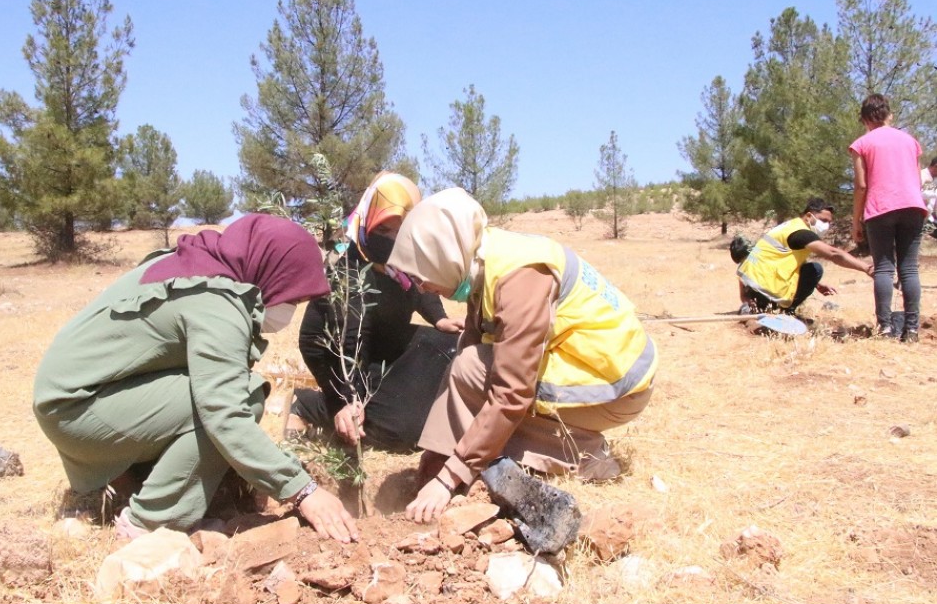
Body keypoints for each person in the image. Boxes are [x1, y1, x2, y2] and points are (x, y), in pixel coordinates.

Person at [33, 214, 359, 543]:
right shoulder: (218, 302)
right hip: (78, 410)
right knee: (243, 396)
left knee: (220, 388)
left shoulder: (196, 264)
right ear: (272, 272)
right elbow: (225, 413)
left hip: (69, 399)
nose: (291, 309)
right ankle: (150, 524)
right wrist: (303, 491)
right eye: (293, 297)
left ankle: (134, 483)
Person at [387, 188, 658, 524]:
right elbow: (468, 358)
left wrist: (448, 477)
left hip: (617, 387)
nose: (421, 287)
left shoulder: (519, 277)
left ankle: (581, 453)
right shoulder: (484, 262)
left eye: (420, 273)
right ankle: (470, 466)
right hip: (593, 374)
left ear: (442, 252)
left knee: (478, 371)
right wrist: (436, 461)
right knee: (468, 364)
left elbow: (512, 393)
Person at [287, 172, 463, 450]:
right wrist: (350, 398)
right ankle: (313, 406)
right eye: (383, 231)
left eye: (401, 230)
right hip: (337, 353)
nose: (392, 239)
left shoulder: (405, 258)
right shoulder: (350, 273)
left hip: (385, 340)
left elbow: (419, 288)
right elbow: (352, 339)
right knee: (405, 432)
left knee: (454, 347)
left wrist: (440, 319)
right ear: (366, 222)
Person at [849, 93, 927, 342]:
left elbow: (861, 185)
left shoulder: (862, 144)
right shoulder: (910, 141)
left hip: (881, 208)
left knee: (884, 268)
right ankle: (912, 329)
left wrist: (856, 220)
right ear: (889, 115)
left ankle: (885, 328)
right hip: (913, 206)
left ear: (864, 120)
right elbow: (916, 179)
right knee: (909, 268)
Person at [737, 198, 874, 317]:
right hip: (765, 289)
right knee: (816, 269)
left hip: (751, 287)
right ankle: (784, 312)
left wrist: (817, 284)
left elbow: (784, 260)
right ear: (808, 216)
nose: (826, 225)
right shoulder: (800, 233)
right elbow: (834, 254)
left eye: (829, 222)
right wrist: (866, 268)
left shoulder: (789, 226)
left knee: (811, 270)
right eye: (823, 220)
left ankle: (754, 306)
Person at [921, 156, 937, 233]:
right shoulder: (922, 176)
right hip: (919, 216)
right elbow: (919, 194)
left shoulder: (935, 179)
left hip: (929, 217)